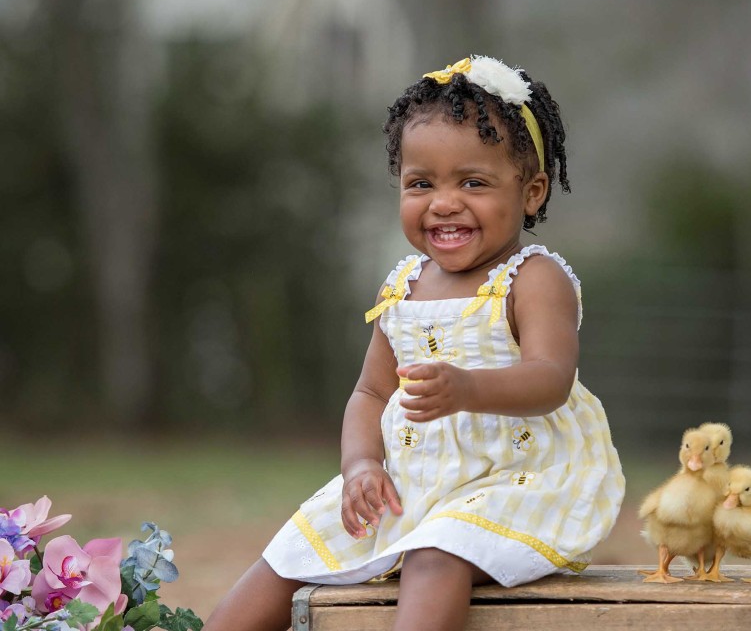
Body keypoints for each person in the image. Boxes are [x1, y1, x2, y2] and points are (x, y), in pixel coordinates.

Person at [204, 55, 625, 631]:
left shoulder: (532, 278)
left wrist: (468, 387)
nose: (443, 202)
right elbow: (371, 393)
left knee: (434, 558)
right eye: (420, 183)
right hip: (410, 481)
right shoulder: (402, 286)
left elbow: (551, 378)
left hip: (511, 479)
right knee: (288, 557)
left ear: (531, 193)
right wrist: (359, 466)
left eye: (472, 183)